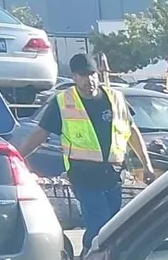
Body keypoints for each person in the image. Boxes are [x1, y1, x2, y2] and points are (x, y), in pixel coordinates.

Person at [19, 52, 151, 248]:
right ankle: (91, 256)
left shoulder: (115, 99)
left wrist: (146, 164)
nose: (89, 80)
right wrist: (18, 157)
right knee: (99, 220)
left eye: (92, 74)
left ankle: (99, 258)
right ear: (74, 77)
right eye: (83, 75)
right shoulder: (63, 102)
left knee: (114, 223)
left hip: (113, 175)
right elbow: (40, 134)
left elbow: (132, 131)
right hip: (83, 175)